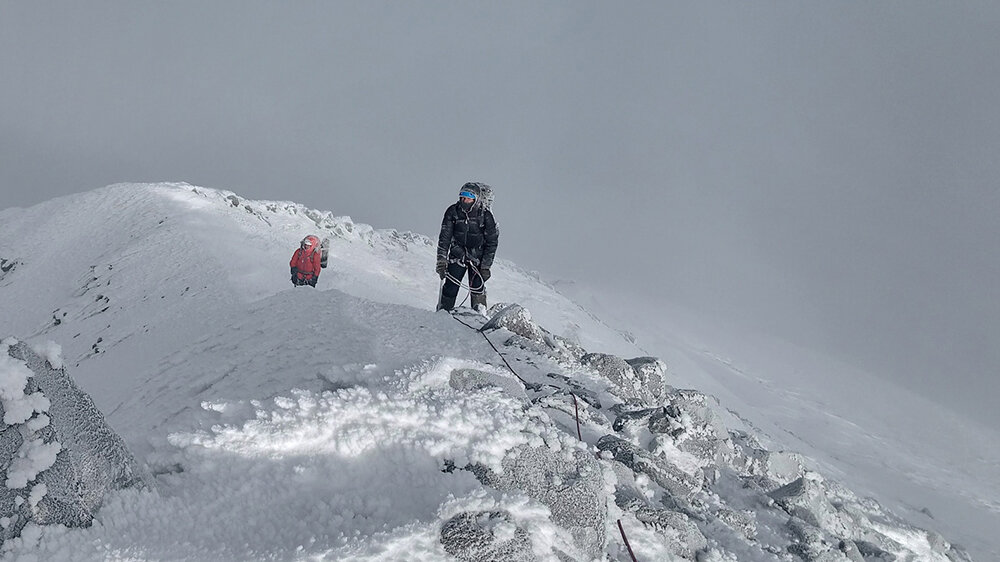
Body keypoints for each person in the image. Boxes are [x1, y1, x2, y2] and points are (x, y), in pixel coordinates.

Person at [436, 182, 499, 311]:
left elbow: (492, 242)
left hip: (478, 259)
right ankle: (443, 314)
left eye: (468, 197)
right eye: (462, 197)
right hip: (457, 255)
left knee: (477, 288)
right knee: (450, 287)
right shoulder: (452, 212)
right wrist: (441, 260)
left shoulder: (485, 216)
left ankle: (479, 317)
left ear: (475, 199)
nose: (464, 200)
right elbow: (444, 238)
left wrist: (486, 266)